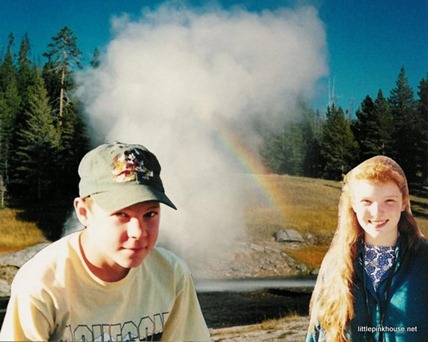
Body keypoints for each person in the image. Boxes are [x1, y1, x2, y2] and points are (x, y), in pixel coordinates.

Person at [0, 142, 210, 341]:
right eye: (121, 214)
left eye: (150, 214)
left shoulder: (172, 274)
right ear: (83, 212)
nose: (138, 232)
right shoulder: (42, 282)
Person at [306, 155, 428, 342]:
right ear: (353, 205)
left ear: (403, 203)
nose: (377, 212)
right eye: (367, 201)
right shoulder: (335, 263)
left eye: (389, 201)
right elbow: (315, 334)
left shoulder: (424, 259)